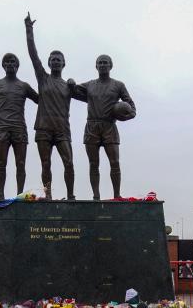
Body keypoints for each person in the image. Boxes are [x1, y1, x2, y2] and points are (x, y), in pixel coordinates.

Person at [24, 13, 76, 200]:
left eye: (58, 59)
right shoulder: (43, 78)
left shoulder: (69, 86)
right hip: (44, 128)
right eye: (52, 59)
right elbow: (33, 55)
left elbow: (91, 96)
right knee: (45, 164)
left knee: (68, 163)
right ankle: (48, 196)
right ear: (48, 63)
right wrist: (29, 30)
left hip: (62, 129)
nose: (55, 61)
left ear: (63, 64)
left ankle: (70, 195)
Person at [72, 54, 136, 200]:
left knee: (114, 162)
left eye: (105, 63)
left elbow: (132, 107)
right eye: (99, 63)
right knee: (93, 164)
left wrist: (126, 116)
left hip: (109, 126)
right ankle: (96, 195)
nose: (102, 65)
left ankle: (116, 195)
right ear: (96, 66)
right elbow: (74, 92)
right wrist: (70, 84)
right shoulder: (90, 85)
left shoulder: (118, 85)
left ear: (110, 66)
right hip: (92, 126)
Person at [0, 53, 39, 200]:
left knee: (20, 163)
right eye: (7, 62)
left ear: (17, 66)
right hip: (2, 129)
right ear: (3, 65)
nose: (10, 64)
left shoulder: (24, 86)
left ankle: (20, 194)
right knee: (1, 163)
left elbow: (40, 100)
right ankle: (1, 193)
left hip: (19, 129)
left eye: (13, 62)